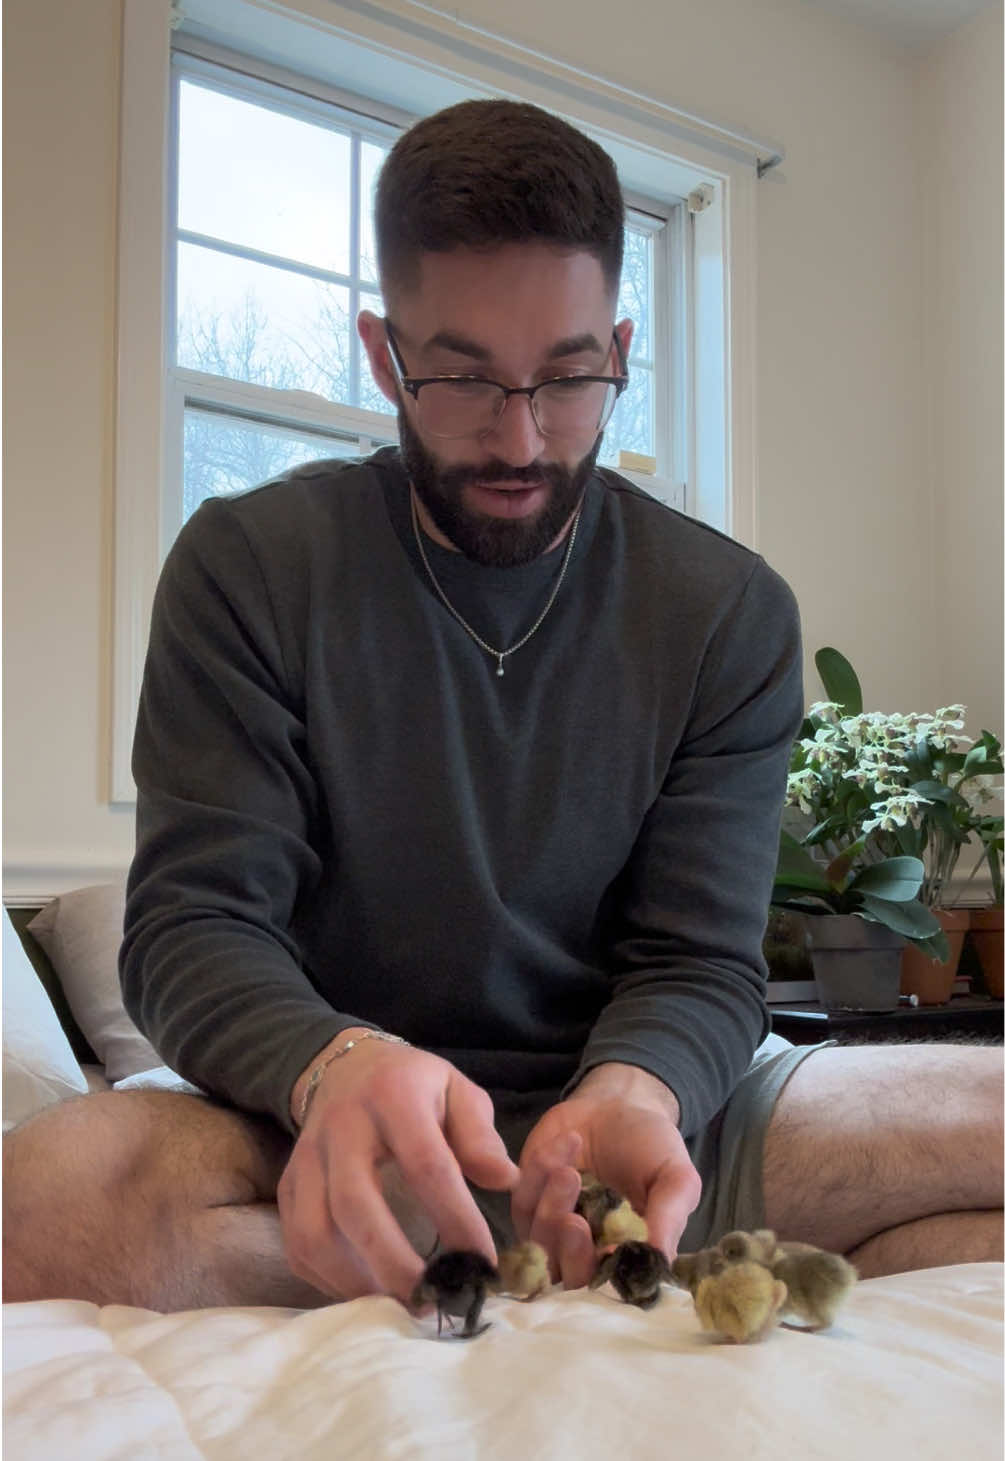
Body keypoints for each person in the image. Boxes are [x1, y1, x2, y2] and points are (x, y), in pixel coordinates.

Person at [4, 100, 1000, 1312]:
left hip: (648, 1130)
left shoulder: (730, 612)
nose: (522, 439)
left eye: (570, 378)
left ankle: (557, 1262)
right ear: (384, 356)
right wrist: (332, 1062)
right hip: (326, 1132)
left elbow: (697, 959)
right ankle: (604, 1276)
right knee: (45, 1198)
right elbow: (193, 928)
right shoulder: (251, 566)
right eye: (463, 377)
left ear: (620, 349)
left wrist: (638, 1088)